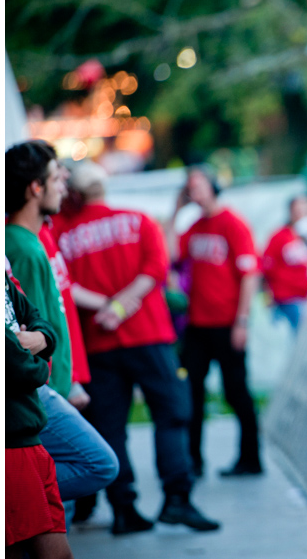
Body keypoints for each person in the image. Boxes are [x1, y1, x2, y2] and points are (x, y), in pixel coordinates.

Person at [52, 161, 220, 534]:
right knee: (172, 415)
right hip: (150, 336)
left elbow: (65, 285)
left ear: (75, 193)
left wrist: (106, 307)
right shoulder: (138, 220)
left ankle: (124, 509)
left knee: (110, 426)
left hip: (98, 343)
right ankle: (177, 499)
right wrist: (121, 305)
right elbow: (156, 271)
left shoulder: (63, 234)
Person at [5, 140, 119, 512]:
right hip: (41, 390)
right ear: (35, 187)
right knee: (96, 465)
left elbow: (48, 323)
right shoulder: (19, 246)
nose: (65, 182)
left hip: (53, 386)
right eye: (56, 175)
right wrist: (58, 385)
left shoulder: (37, 239)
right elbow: (23, 331)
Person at [169, 168, 263, 477]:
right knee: (191, 391)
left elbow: (249, 275)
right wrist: (176, 210)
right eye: (189, 187)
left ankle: (250, 459)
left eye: (198, 185)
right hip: (198, 324)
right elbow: (170, 255)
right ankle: (193, 460)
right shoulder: (195, 226)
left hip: (227, 322)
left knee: (236, 391)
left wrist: (242, 321)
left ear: (214, 187)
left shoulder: (233, 224)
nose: (193, 191)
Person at [6, 271, 74, 559]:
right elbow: (14, 365)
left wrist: (37, 341)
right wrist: (41, 365)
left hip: (31, 435)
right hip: (9, 442)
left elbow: (42, 323)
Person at [262, 196, 307, 332]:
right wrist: (268, 295)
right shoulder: (279, 236)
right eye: (298, 211)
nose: (301, 215)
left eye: (304, 211)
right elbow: (266, 267)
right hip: (289, 297)